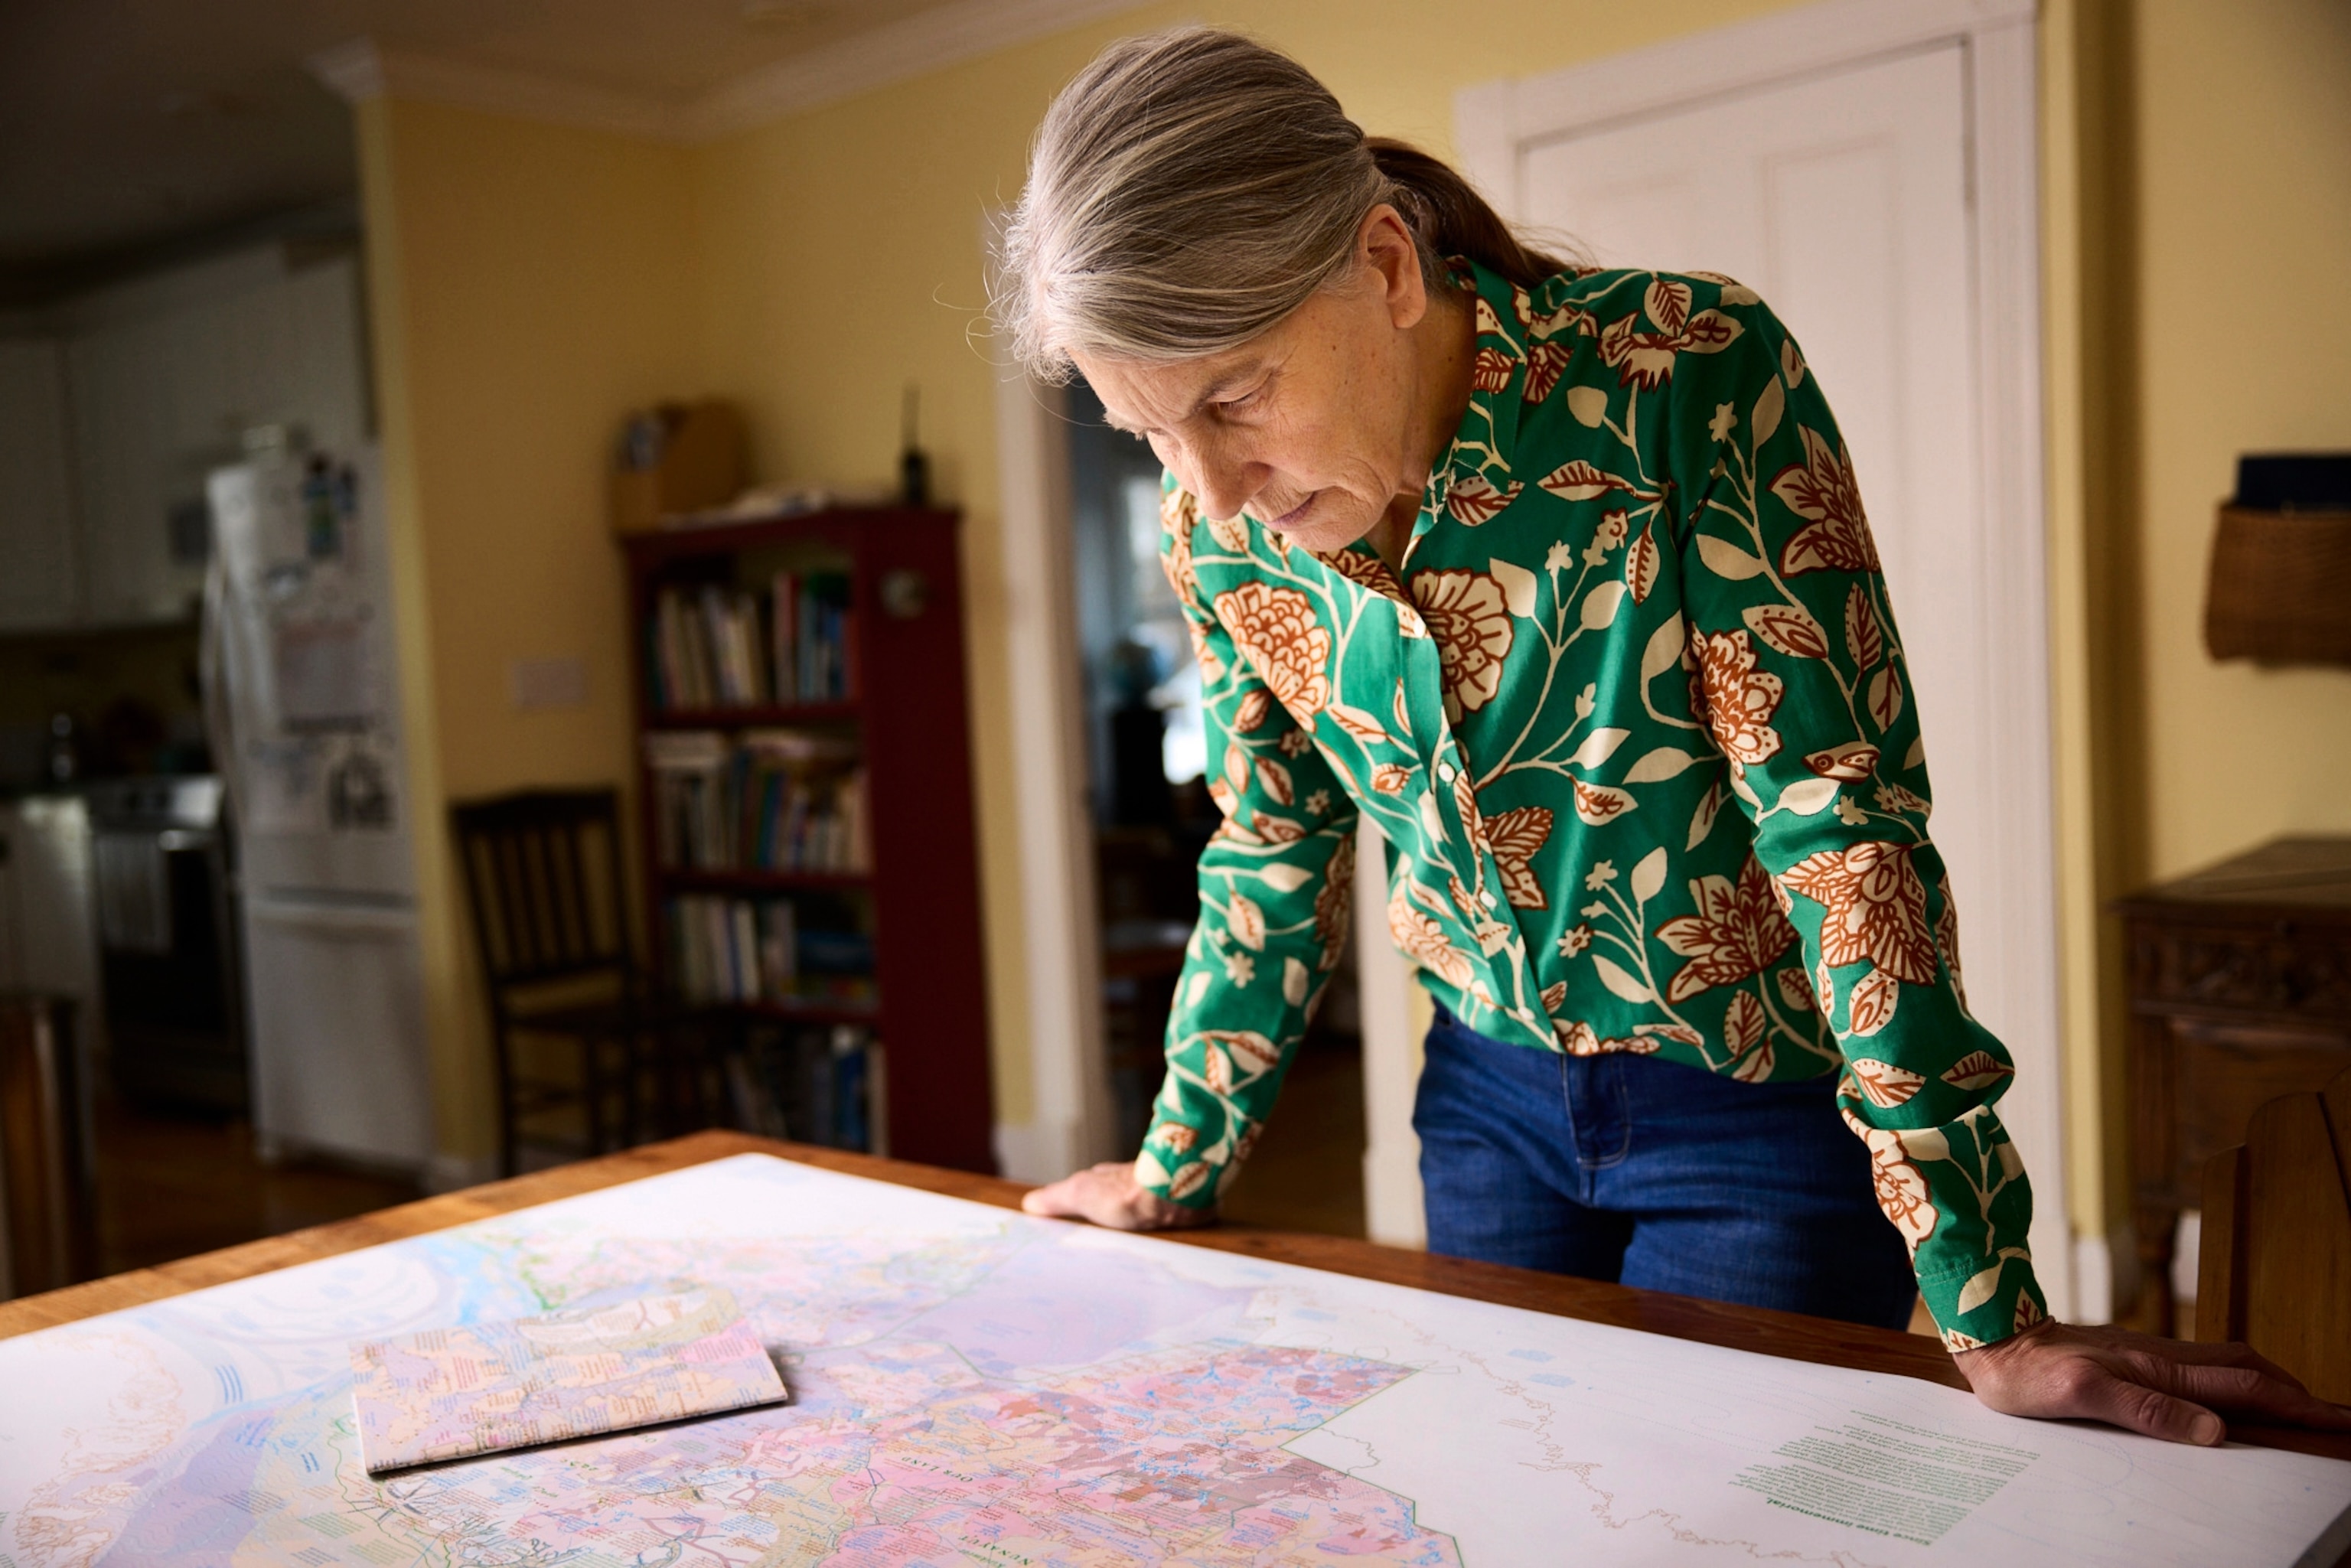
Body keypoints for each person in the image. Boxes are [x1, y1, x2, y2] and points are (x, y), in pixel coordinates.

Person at [999, 26, 2350, 1446]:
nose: (1211, 493)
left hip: (1753, 1117)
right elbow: (1275, 837)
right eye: (1151, 434)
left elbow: (1837, 822)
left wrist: (1987, 1298)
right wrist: (1173, 1158)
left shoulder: (1682, 374)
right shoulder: (1218, 538)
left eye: (1233, 399)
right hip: (1482, 1108)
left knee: (1725, 1512)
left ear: (1386, 267)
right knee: (1525, 1494)